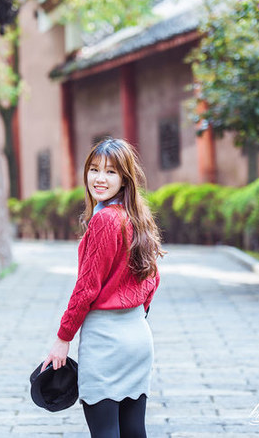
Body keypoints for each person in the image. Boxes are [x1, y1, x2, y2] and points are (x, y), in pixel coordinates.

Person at [41, 138, 164, 438]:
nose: (99, 178)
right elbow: (153, 278)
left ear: (124, 178)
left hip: (106, 342)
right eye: (94, 169)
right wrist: (133, 313)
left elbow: (86, 289)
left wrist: (62, 338)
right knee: (134, 430)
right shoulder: (136, 216)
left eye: (110, 172)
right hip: (137, 337)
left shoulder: (105, 221)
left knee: (106, 432)